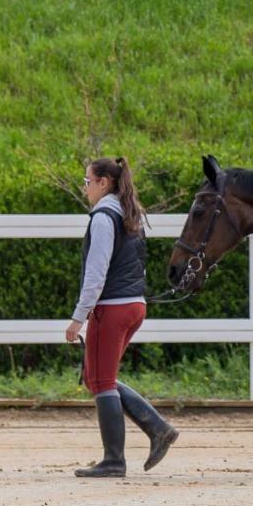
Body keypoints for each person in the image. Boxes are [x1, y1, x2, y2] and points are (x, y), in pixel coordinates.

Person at [65, 157, 178, 478]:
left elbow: (96, 274)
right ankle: (158, 429)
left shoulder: (103, 218)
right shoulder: (130, 214)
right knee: (97, 376)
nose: (85, 187)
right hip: (134, 305)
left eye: (87, 181)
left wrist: (78, 317)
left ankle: (114, 460)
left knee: (100, 381)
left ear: (104, 183)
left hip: (112, 307)